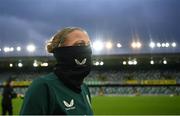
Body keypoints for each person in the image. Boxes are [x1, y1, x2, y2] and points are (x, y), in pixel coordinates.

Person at [20, 27, 93, 115]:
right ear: (61, 51)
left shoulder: (84, 88)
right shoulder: (43, 87)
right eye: (79, 45)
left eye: (88, 45)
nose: (86, 49)